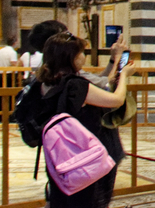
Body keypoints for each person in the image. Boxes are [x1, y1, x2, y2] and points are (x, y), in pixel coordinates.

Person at [30, 31, 136, 207]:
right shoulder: (76, 84)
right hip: (85, 154)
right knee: (90, 199)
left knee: (62, 197)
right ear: (71, 57)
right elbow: (116, 99)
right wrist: (124, 75)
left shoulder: (44, 80)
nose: (83, 56)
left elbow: (99, 82)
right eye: (81, 53)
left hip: (59, 153)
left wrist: (113, 61)